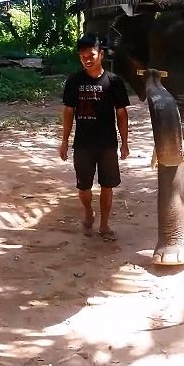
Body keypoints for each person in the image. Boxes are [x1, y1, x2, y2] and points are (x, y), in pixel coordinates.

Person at [60, 34, 130, 240]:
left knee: (107, 185)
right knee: (84, 186)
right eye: (82, 56)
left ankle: (104, 224)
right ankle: (88, 211)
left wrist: (125, 143)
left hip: (107, 144)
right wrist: (64, 141)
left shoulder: (114, 81)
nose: (86, 59)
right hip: (83, 144)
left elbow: (121, 113)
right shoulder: (74, 80)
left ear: (101, 54)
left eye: (90, 55)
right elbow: (68, 111)